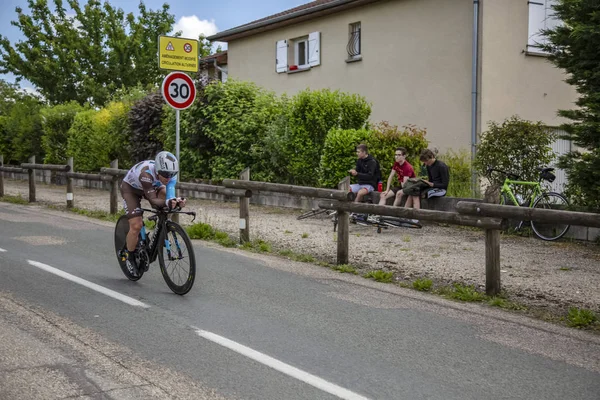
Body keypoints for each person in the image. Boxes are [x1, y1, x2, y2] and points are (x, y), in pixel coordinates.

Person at [119, 151, 186, 276]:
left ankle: (162, 224)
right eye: (165, 174)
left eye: (172, 174)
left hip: (151, 186)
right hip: (131, 189)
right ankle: (130, 255)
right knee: (136, 225)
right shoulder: (146, 173)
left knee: (166, 195)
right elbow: (153, 201)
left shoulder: (170, 176)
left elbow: (169, 197)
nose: (168, 178)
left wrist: (176, 201)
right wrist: (166, 203)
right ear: (158, 170)